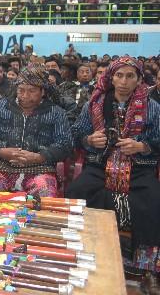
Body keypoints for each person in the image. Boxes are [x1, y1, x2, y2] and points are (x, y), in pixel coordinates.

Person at [67, 57, 160, 275]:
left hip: (137, 168)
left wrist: (141, 146)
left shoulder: (152, 106)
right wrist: (89, 140)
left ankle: (144, 266)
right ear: (111, 77)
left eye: (130, 76)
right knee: (76, 193)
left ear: (139, 80)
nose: (124, 81)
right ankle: (86, 252)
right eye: (119, 75)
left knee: (153, 201)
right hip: (101, 165)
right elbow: (77, 133)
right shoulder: (96, 103)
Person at [0, 66, 73, 197]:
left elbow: (65, 143)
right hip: (2, 165)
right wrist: (1, 150)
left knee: (44, 190)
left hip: (40, 168)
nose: (25, 95)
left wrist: (39, 156)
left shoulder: (56, 112)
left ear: (43, 91)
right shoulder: (1, 106)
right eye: (21, 90)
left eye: (32, 91)